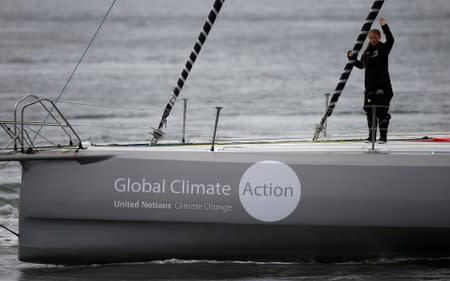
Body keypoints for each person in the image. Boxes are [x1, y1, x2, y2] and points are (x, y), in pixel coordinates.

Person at [347, 17, 394, 143]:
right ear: (369, 38)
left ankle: (383, 138)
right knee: (369, 112)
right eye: (371, 38)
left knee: (381, 113)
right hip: (370, 88)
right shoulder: (366, 52)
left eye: (375, 38)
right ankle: (371, 136)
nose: (373, 40)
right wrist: (350, 58)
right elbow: (361, 66)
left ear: (379, 38)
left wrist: (385, 26)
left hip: (383, 88)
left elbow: (391, 40)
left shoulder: (383, 49)